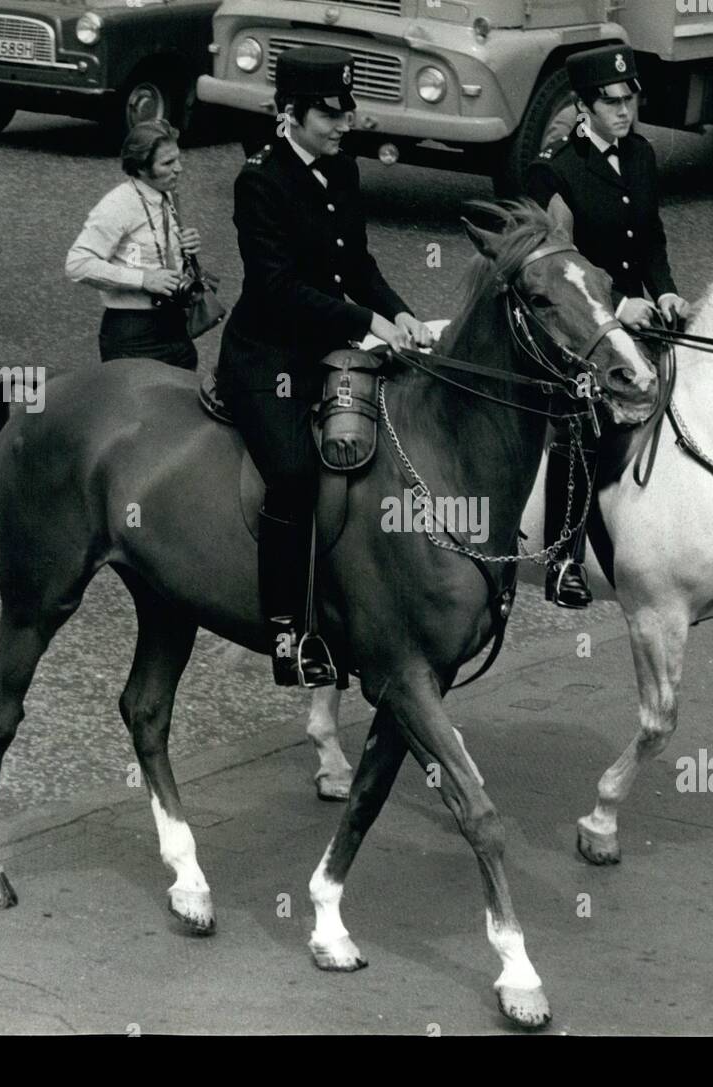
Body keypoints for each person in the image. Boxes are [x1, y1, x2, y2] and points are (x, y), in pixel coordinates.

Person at [216, 45, 432, 688]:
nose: (345, 123)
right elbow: (277, 287)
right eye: (330, 114)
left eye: (347, 110)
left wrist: (403, 314)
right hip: (268, 356)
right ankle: (287, 632)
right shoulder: (259, 179)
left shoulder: (342, 171)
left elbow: (358, 266)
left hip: (331, 346)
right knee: (292, 475)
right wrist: (366, 324)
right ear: (290, 114)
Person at [525, 44, 688, 608]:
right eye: (612, 102)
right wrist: (619, 306)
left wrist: (663, 289)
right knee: (582, 421)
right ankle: (563, 559)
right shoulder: (553, 173)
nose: (626, 110)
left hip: (636, 315)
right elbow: (562, 263)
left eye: (631, 99)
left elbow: (651, 240)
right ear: (583, 106)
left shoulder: (639, 154)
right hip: (578, 327)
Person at [66, 120, 202, 371]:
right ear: (140, 168)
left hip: (175, 328)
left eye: (178, 159)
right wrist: (143, 279)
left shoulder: (166, 195)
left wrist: (185, 246)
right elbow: (77, 264)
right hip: (133, 334)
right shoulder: (118, 204)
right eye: (168, 163)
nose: (179, 169)